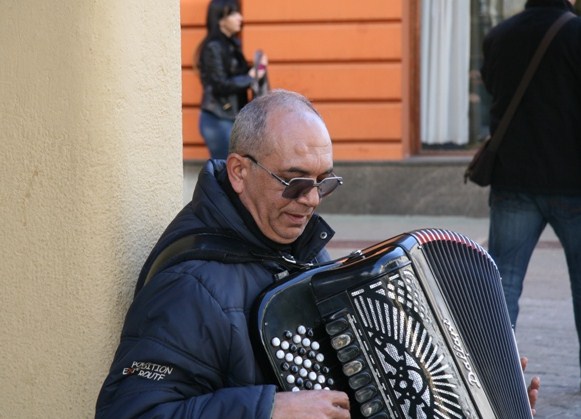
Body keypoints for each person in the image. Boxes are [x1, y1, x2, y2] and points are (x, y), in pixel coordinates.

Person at [96, 90, 539, 418]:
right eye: (294, 181)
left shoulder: (301, 251)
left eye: (323, 182)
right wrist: (268, 410)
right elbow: (129, 413)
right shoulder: (190, 285)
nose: (310, 200)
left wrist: (479, 395)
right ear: (239, 172)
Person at [480, 0, 581, 374]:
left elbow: (493, 92)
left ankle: (492, 378)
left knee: (502, 285)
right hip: (573, 181)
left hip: (514, 179)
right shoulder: (576, 34)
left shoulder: (498, 36)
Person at [195, 0, 268, 160]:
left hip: (230, 118)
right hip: (218, 118)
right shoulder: (213, 47)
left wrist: (259, 68)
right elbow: (220, 85)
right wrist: (251, 77)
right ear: (220, 19)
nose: (240, 18)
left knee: (233, 168)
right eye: (234, 14)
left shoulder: (232, 46)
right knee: (226, 168)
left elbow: (241, 76)